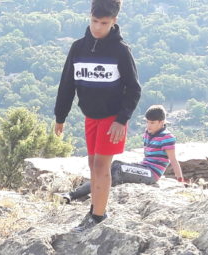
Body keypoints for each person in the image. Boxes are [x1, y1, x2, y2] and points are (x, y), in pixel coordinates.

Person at [53, 0, 142, 232]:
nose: (98, 27)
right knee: (92, 164)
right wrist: (60, 116)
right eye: (94, 21)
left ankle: (98, 216)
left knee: (102, 165)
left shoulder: (121, 50)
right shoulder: (78, 48)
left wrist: (122, 119)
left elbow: (134, 89)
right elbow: (67, 84)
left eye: (104, 23)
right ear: (89, 16)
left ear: (114, 21)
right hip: (90, 116)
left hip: (112, 119)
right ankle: (96, 208)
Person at [63, 104, 184, 203]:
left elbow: (173, 160)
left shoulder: (167, 137)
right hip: (143, 167)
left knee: (117, 170)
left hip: (151, 173)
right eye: (147, 122)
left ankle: (79, 195)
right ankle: (74, 194)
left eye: (152, 123)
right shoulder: (148, 132)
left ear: (161, 122)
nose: (148, 125)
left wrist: (180, 180)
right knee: (111, 167)